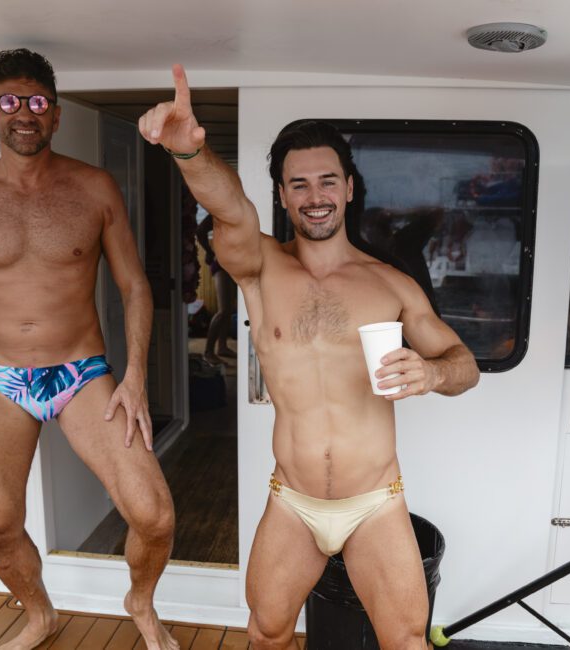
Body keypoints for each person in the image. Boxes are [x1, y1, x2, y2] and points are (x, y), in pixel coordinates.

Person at [139, 65, 480, 650]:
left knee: (406, 641)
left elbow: (465, 364)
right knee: (267, 632)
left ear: (349, 187)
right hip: (292, 500)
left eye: (327, 181)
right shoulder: (260, 267)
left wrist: (431, 372)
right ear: (281, 194)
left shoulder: (393, 286)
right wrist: (190, 155)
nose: (315, 197)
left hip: (375, 500)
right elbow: (227, 208)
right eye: (299, 184)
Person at [0, 49, 177, 650]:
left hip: (82, 373)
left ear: (57, 114)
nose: (25, 113)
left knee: (154, 515)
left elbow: (134, 285)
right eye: (10, 100)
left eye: (38, 102)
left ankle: (140, 603)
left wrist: (138, 376)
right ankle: (40, 613)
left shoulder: (93, 186)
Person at [195, 213, 236, 365]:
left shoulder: (236, 210)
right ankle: (208, 352)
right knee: (224, 310)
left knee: (229, 309)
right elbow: (200, 231)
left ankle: (223, 346)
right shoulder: (218, 212)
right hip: (220, 264)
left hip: (232, 264)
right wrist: (209, 251)